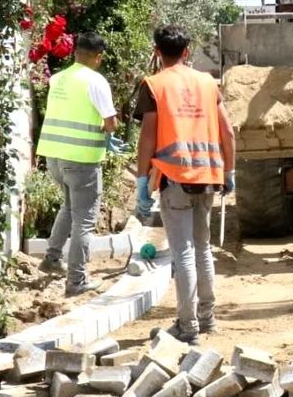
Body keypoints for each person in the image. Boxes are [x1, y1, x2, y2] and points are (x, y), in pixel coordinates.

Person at [135, 25, 236, 344]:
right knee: (202, 248)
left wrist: (142, 180)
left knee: (183, 252)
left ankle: (187, 326)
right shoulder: (208, 83)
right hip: (208, 176)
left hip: (175, 178)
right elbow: (228, 132)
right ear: (187, 52)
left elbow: (148, 136)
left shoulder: (154, 84)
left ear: (156, 51)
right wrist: (229, 171)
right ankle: (207, 319)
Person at [36, 31, 124, 296]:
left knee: (70, 208)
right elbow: (110, 122)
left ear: (75, 52)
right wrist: (109, 132)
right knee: (84, 221)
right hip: (82, 159)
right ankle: (76, 281)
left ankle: (51, 259)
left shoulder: (58, 78)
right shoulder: (95, 81)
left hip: (54, 156)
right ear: (98, 57)